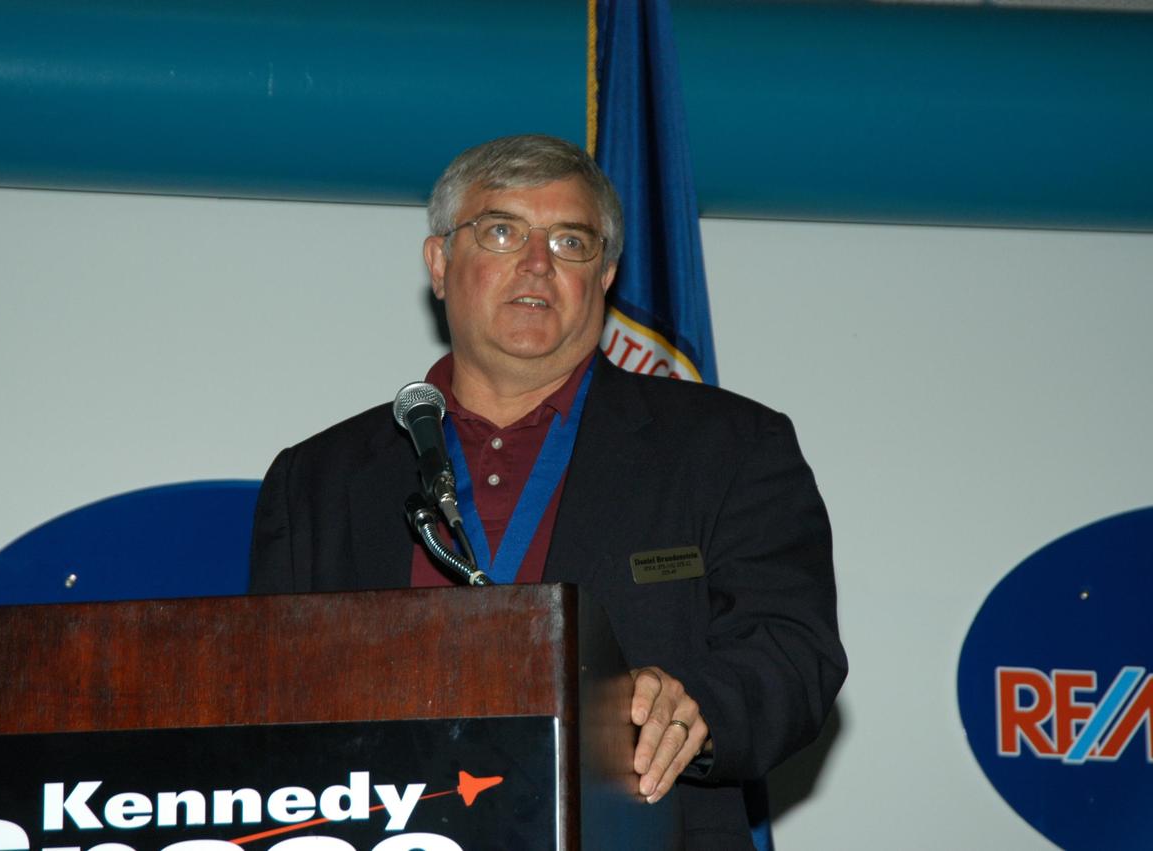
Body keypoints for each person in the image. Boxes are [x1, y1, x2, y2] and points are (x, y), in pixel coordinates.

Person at [250, 134, 846, 849]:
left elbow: (794, 653)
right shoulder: (317, 478)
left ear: (605, 275)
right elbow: (266, 704)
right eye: (502, 232)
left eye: (571, 241)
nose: (537, 263)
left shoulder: (729, 447)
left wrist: (698, 708)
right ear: (440, 264)